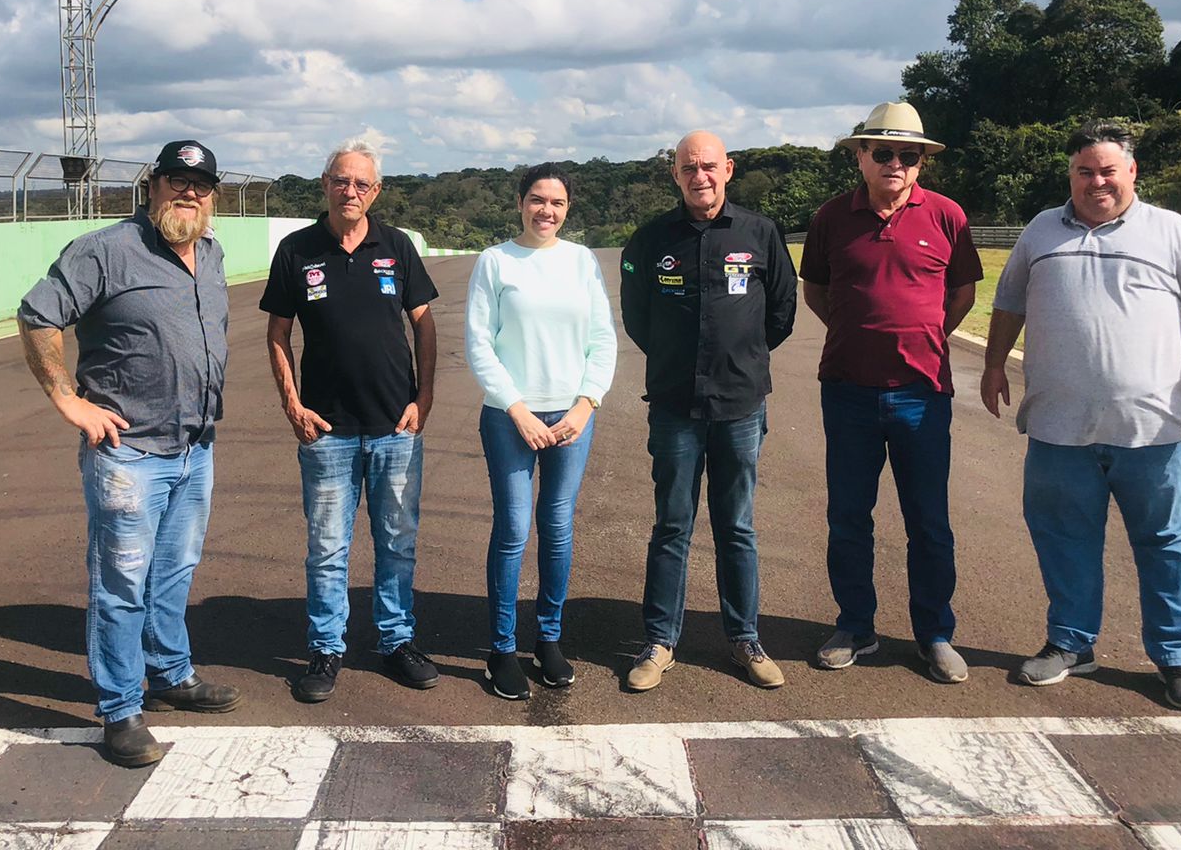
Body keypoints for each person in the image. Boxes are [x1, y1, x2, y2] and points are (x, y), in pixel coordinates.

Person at [981, 120, 1181, 711]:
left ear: (1131, 173)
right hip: (1060, 428)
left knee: (1170, 542)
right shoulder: (1042, 230)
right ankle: (1071, 643)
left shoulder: (1171, 231)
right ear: (1070, 175)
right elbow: (1009, 302)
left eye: (1108, 170)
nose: (1096, 181)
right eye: (1084, 171)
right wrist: (994, 364)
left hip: (1158, 430)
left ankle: (1176, 656)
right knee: (1064, 539)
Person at [17, 139, 238, 768]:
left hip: (195, 448)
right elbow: (38, 316)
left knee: (174, 574)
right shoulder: (104, 250)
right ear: (153, 186)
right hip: (129, 453)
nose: (187, 192)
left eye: (199, 184)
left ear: (213, 194)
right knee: (121, 586)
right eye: (175, 180)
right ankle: (119, 709)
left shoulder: (212, 251)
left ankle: (170, 673)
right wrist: (69, 400)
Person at [800, 101, 982, 684]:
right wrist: (860, 335)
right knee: (849, 516)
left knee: (928, 520)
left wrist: (924, 337)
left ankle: (934, 633)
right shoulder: (832, 218)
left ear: (922, 163)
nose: (896, 165)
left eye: (909, 155)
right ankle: (856, 624)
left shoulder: (948, 216)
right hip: (848, 391)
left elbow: (961, 294)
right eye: (883, 153)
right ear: (860, 157)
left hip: (922, 393)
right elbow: (818, 293)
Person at [618, 130, 798, 691]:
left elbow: (781, 314)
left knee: (736, 526)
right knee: (672, 525)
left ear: (729, 169)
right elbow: (638, 319)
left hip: (740, 404)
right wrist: (678, 361)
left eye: (710, 166)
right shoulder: (650, 240)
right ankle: (659, 641)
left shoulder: (760, 233)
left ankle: (745, 639)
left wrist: (738, 358)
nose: (700, 175)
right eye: (689, 167)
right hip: (674, 404)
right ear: (675, 174)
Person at [261, 138, 440, 703]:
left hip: (396, 427)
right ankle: (325, 648)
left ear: (376, 191)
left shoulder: (398, 246)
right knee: (328, 548)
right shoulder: (296, 249)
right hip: (328, 431)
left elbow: (425, 325)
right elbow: (278, 335)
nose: (351, 191)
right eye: (342, 180)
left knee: (396, 543)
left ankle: (395, 640)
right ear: (325, 184)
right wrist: (292, 403)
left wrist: (425, 397)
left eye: (362, 183)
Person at [464, 164, 618, 700]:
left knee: (556, 527)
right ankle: (501, 649)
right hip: (511, 418)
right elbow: (479, 344)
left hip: (572, 416)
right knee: (512, 531)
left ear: (567, 208)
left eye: (555, 202)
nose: (545, 211)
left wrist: (584, 405)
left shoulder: (581, 262)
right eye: (536, 200)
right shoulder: (494, 261)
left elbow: (603, 339)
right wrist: (518, 409)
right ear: (520, 202)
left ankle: (549, 639)